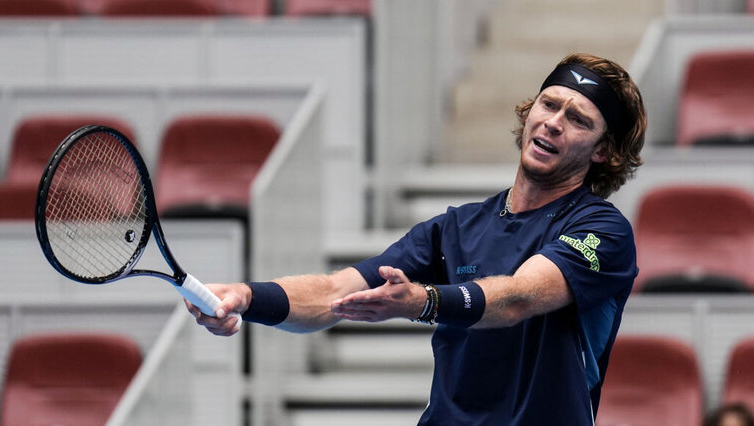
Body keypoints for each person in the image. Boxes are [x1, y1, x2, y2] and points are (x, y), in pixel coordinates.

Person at [185, 52, 647, 425]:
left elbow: (518, 298)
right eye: (549, 104)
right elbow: (333, 293)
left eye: (578, 119)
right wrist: (245, 296)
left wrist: (421, 301)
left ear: (604, 152)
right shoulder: (455, 227)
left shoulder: (601, 231)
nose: (553, 122)